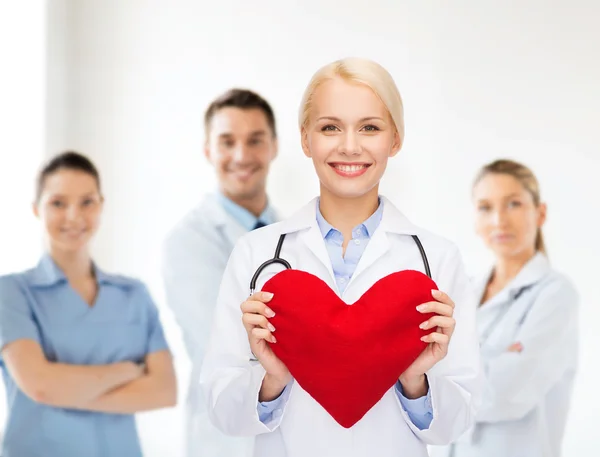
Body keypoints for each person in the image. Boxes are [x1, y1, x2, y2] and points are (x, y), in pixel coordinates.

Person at [199, 58, 482, 457]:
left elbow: (455, 423)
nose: (350, 145)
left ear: (395, 140)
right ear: (305, 140)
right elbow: (221, 409)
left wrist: (415, 379)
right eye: (330, 127)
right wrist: (272, 377)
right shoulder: (256, 255)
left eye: (370, 127)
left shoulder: (437, 260)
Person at [0, 151, 177, 457]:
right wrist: (126, 372)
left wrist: (63, 390)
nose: (74, 216)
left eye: (87, 202)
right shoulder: (11, 292)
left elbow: (164, 391)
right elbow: (40, 385)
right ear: (35, 209)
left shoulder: (134, 295)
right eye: (58, 203)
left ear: (101, 206)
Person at [431, 159, 579, 457]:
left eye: (513, 204)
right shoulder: (463, 292)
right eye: (485, 207)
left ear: (540, 212)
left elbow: (506, 393)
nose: (499, 220)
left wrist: (435, 375)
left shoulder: (555, 294)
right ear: (475, 219)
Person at [162, 88, 279, 457]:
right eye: (227, 142)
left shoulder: (296, 233)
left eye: (255, 140)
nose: (242, 155)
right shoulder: (188, 240)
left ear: (274, 146)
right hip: (227, 441)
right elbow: (227, 339)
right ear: (208, 150)